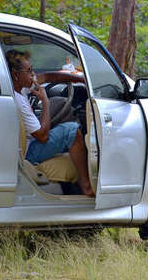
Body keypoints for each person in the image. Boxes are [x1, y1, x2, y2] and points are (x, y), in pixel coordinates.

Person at [6, 50, 94, 196]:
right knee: (71, 130)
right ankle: (86, 186)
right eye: (29, 71)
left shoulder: (20, 88)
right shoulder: (19, 101)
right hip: (29, 152)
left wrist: (79, 79)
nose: (33, 75)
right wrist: (45, 102)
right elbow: (42, 136)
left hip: (29, 143)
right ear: (16, 75)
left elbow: (47, 76)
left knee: (62, 125)